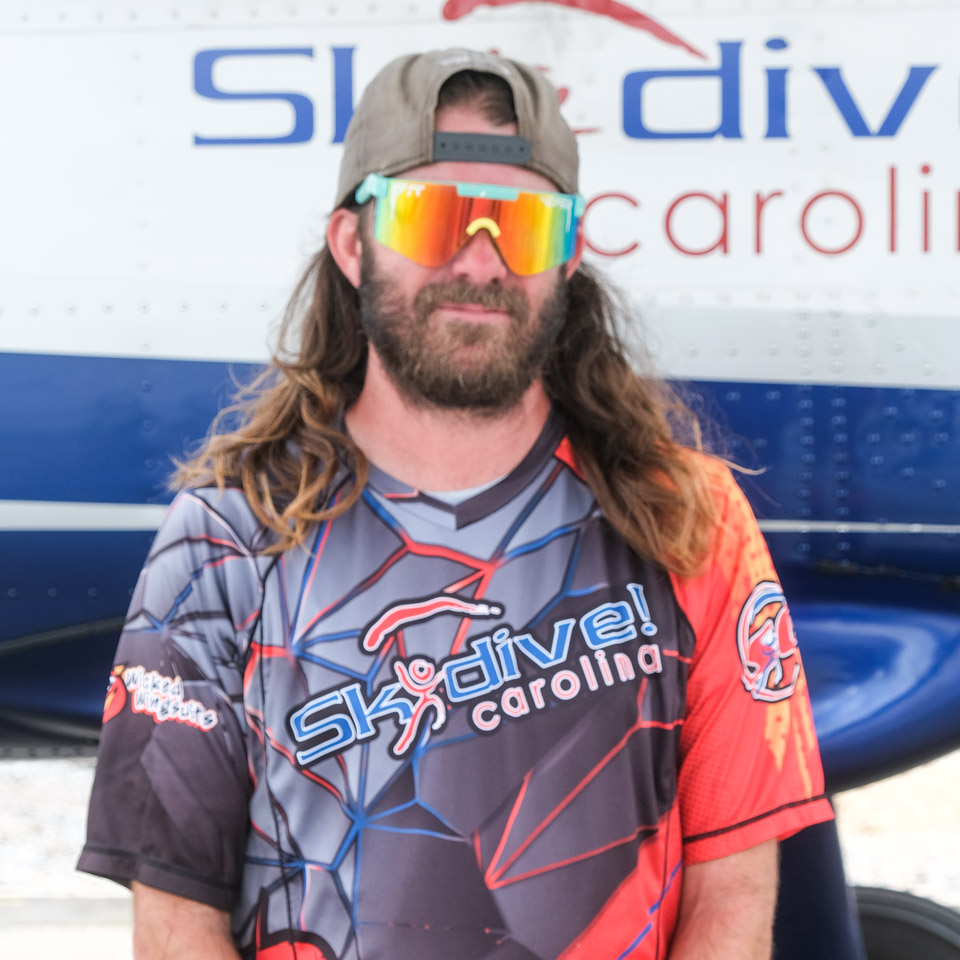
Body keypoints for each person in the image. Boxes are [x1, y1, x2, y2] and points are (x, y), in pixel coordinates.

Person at [79, 48, 835, 959]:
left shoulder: (689, 517)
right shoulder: (223, 539)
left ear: (570, 255)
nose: (480, 260)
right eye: (435, 216)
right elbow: (173, 927)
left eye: (522, 225)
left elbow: (733, 898)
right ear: (355, 245)